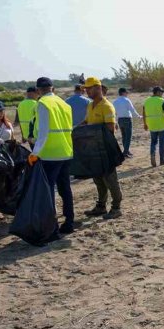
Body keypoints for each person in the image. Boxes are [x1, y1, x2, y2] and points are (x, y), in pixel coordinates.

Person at [29, 77, 76, 236]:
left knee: (48, 191)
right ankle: (69, 222)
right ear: (52, 88)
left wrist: (34, 153)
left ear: (38, 90)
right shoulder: (64, 103)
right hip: (66, 151)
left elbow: (43, 133)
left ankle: (52, 227)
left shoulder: (42, 104)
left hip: (50, 154)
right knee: (65, 189)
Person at [79, 77, 123, 219]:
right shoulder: (90, 105)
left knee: (110, 180)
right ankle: (101, 206)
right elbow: (87, 121)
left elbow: (110, 129)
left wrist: (91, 131)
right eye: (85, 89)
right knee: (98, 179)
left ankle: (116, 208)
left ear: (98, 88)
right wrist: (76, 129)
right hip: (94, 150)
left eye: (89, 89)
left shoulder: (107, 106)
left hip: (105, 149)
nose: (86, 91)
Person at [143, 86, 164, 167]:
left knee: (153, 142)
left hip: (151, 124)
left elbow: (144, 113)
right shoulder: (161, 100)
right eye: (161, 92)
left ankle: (152, 154)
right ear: (157, 92)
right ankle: (162, 160)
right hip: (161, 124)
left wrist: (145, 124)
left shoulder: (146, 101)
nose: (162, 93)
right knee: (162, 143)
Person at [112, 87, 142, 159]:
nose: (127, 93)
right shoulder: (126, 100)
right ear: (123, 93)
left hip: (120, 120)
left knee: (124, 136)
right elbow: (132, 110)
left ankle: (126, 150)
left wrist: (115, 122)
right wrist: (139, 116)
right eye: (126, 92)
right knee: (128, 137)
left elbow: (114, 113)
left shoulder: (115, 101)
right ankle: (125, 153)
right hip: (127, 120)